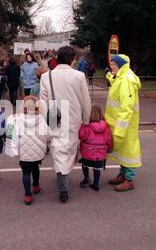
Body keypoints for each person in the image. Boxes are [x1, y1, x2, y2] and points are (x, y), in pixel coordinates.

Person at [40, 46, 92, 203]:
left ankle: (62, 183)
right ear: (73, 58)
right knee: (72, 147)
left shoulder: (46, 77)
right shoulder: (79, 76)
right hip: (74, 117)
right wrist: (86, 119)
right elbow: (86, 101)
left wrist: (45, 120)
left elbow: (43, 103)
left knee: (58, 148)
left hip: (55, 117)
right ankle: (72, 179)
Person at [105, 54, 142, 192]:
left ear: (121, 66)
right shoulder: (121, 76)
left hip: (125, 125)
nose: (111, 66)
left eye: (114, 65)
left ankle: (129, 179)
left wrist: (120, 129)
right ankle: (123, 174)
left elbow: (127, 108)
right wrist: (109, 76)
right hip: (118, 122)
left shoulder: (127, 80)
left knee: (129, 151)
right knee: (122, 151)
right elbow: (116, 83)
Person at [13, 95, 51, 205]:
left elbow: (13, 134)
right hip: (37, 151)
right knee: (35, 167)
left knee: (26, 172)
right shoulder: (41, 119)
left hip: (24, 151)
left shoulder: (18, 119)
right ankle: (36, 185)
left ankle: (28, 195)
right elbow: (48, 135)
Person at [78, 105, 113, 191]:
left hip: (87, 151)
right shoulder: (106, 126)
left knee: (85, 165)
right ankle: (96, 184)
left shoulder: (87, 125)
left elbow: (81, 136)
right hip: (100, 152)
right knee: (97, 168)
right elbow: (109, 138)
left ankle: (86, 178)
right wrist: (109, 148)